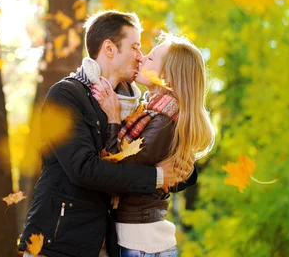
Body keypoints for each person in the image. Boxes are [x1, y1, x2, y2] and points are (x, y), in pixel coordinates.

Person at [18, 11, 195, 257]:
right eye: (134, 47)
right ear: (110, 49)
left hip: (105, 243)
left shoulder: (134, 108)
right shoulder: (66, 96)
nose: (140, 56)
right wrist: (156, 176)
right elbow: (84, 170)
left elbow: (170, 162)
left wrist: (180, 172)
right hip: (57, 242)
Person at [91, 32, 216, 257]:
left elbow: (119, 173)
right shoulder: (151, 113)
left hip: (141, 241)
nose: (142, 58)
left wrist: (113, 119)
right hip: (138, 236)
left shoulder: (164, 121)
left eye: (150, 58)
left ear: (166, 76)